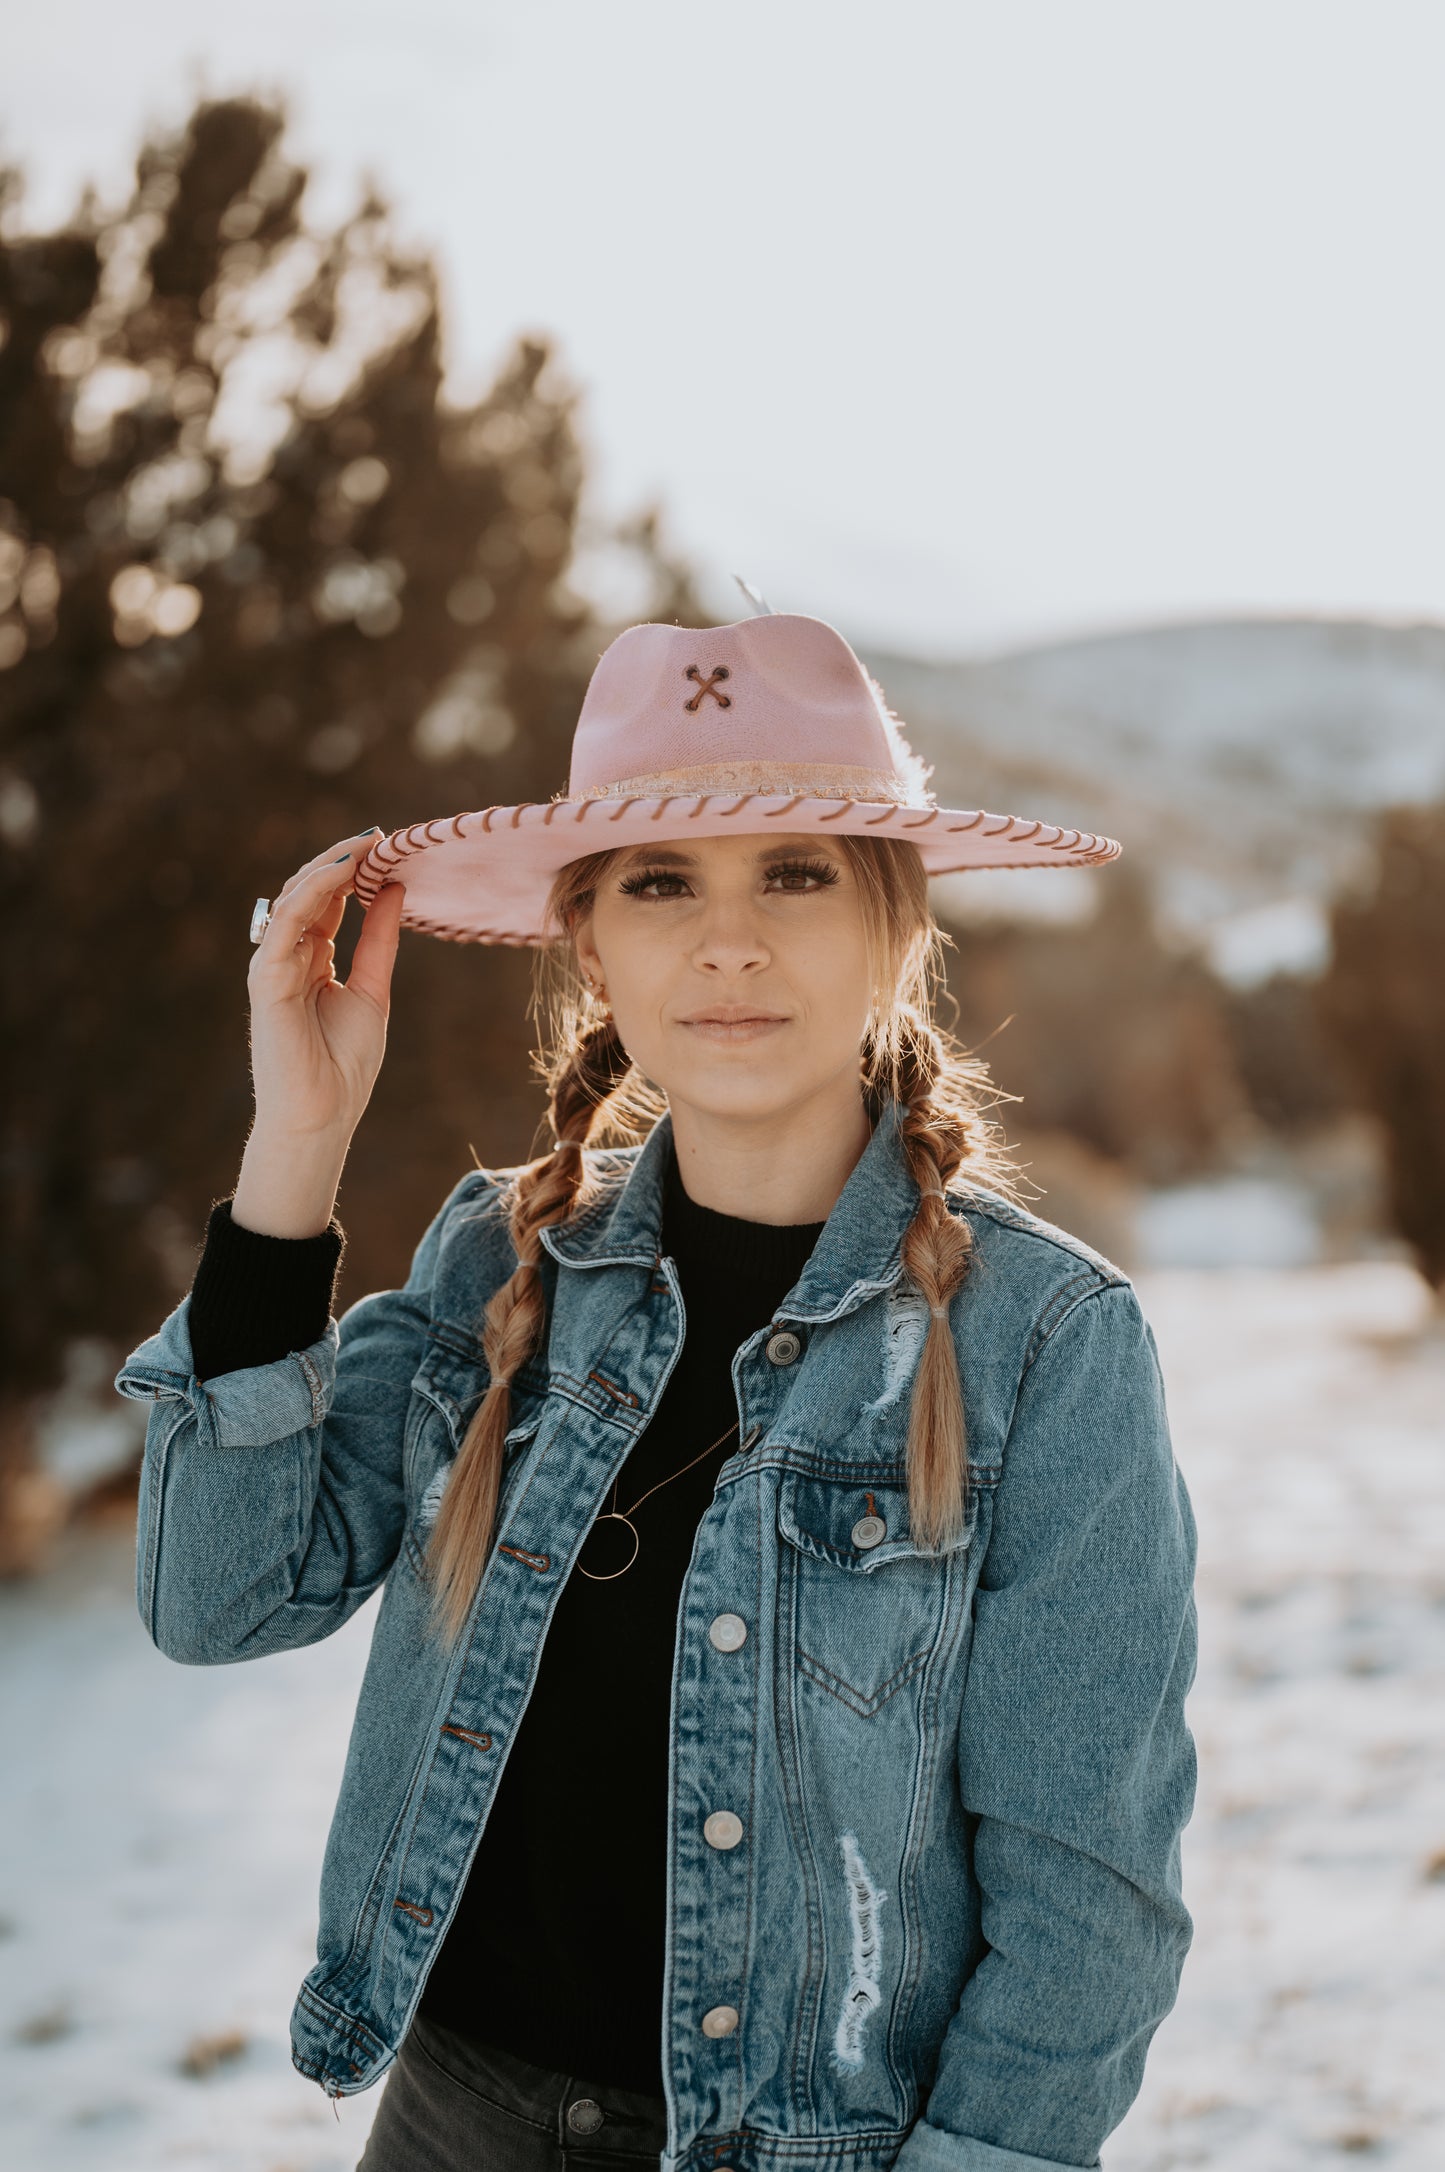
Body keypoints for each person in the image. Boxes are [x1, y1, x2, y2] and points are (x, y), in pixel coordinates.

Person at [115, 603, 1198, 2172]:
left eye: (797, 874)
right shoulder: (499, 1262)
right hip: (447, 2121)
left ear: (898, 926)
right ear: (590, 941)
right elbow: (217, 1601)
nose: (728, 941)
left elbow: (1088, 1893)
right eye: (661, 881)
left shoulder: (1044, 1346)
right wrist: (298, 1155)